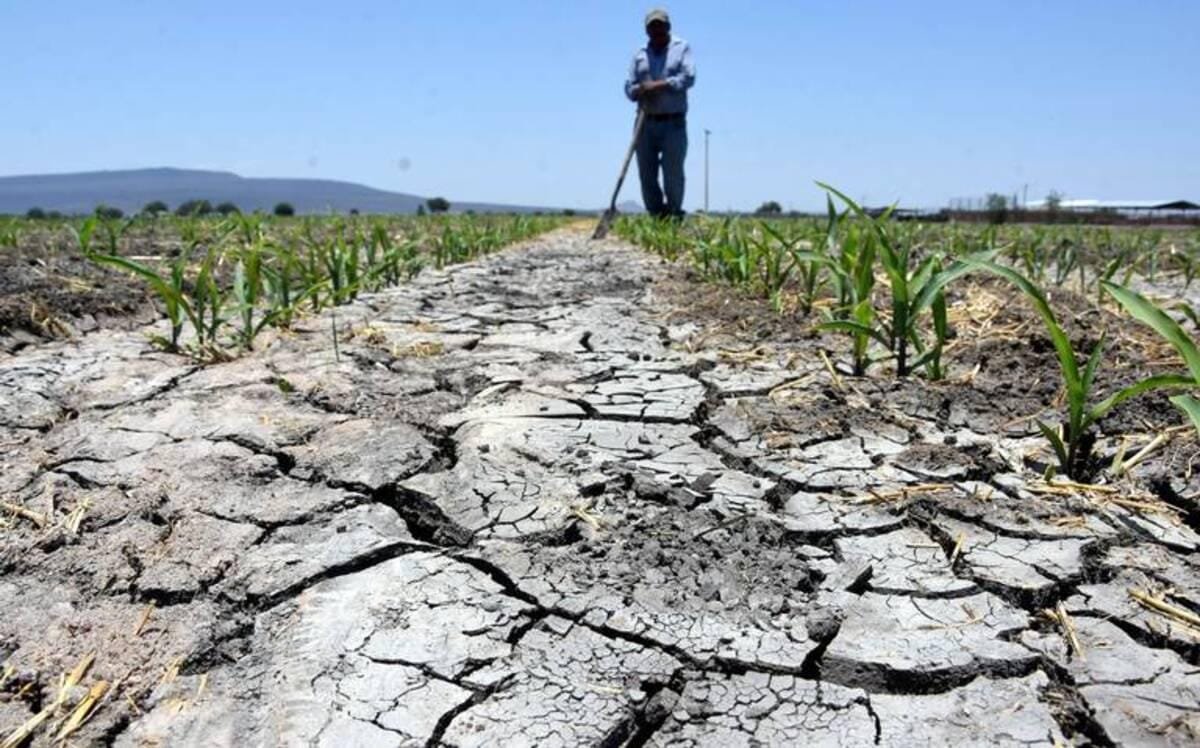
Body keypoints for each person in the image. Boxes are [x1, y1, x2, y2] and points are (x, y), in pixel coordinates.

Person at [624, 8, 695, 219]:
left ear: (668, 27)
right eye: (652, 27)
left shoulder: (681, 48)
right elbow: (628, 86)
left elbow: (688, 77)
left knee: (673, 172)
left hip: (673, 122)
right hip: (645, 122)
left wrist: (659, 85)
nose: (656, 30)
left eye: (660, 26)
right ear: (646, 30)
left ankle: (674, 213)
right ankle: (656, 215)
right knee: (647, 173)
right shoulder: (639, 54)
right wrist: (639, 90)